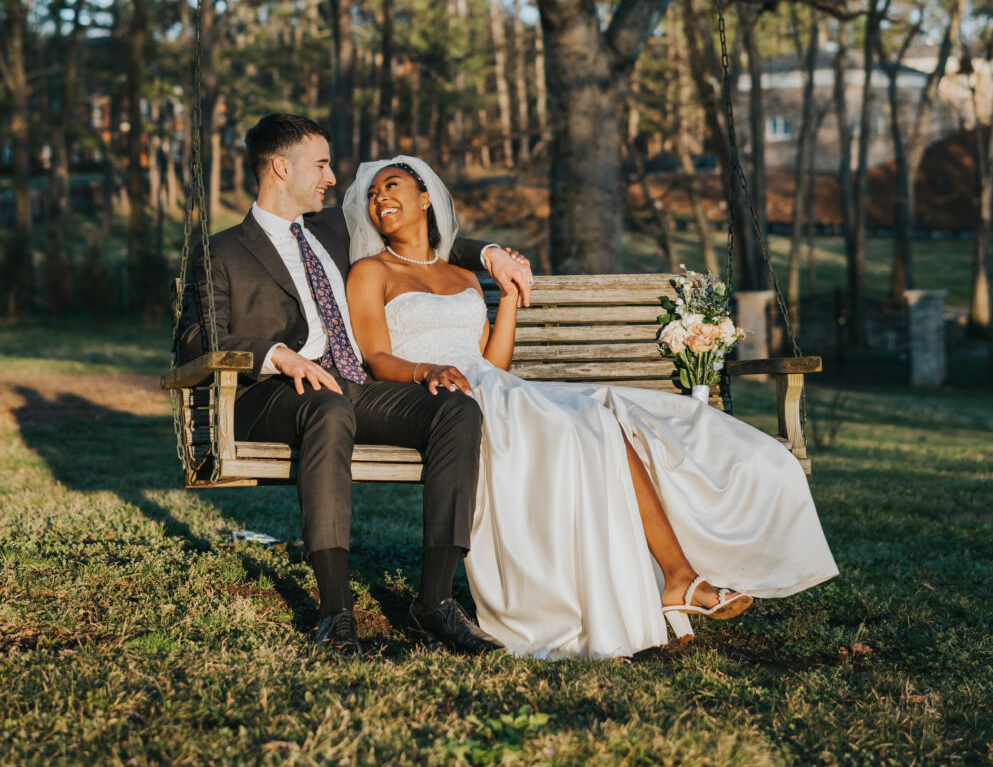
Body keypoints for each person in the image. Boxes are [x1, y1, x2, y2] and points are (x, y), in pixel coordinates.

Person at [344, 157, 839, 659]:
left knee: (610, 418)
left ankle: (678, 576)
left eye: (393, 186)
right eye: (372, 193)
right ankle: (677, 579)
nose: (379, 197)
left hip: (494, 385)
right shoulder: (370, 271)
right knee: (591, 423)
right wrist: (424, 371)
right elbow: (377, 356)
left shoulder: (465, 277)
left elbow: (493, 362)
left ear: (426, 199)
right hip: (443, 399)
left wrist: (510, 299)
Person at [178, 113, 533, 658]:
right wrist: (279, 356)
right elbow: (196, 337)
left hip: (352, 385)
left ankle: (433, 603)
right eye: (320, 165)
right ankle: (335, 612)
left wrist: (488, 254)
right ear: (280, 167)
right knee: (327, 406)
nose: (330, 177)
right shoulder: (221, 251)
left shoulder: (334, 230)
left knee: (456, 408)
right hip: (273, 395)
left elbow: (421, 238)